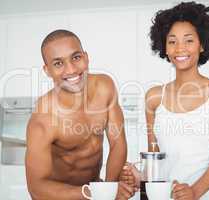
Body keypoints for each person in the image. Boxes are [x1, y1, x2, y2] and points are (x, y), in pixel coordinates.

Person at [120, 2, 209, 200]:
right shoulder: (153, 97)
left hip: (206, 196)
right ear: (164, 47)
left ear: (202, 44)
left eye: (189, 40)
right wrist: (140, 177)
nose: (180, 48)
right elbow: (155, 160)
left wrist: (194, 192)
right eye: (172, 41)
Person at [25, 29, 135, 200]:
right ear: (47, 70)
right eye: (58, 63)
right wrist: (98, 193)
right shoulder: (44, 116)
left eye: (76, 57)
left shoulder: (105, 86)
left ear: (86, 57)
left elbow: (118, 143)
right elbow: (37, 188)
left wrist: (109, 189)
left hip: (95, 191)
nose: (71, 70)